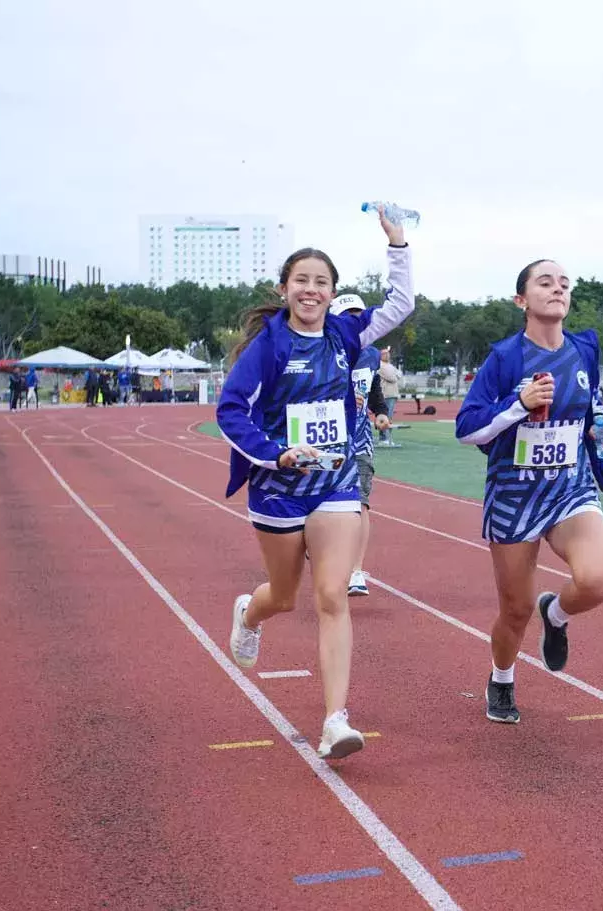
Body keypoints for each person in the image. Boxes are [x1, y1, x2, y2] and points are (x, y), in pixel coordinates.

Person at [217, 209, 412, 759]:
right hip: (278, 489)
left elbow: (400, 304)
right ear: (285, 289)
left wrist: (397, 245)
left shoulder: (347, 334)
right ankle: (248, 614)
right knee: (283, 596)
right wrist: (276, 455)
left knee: (332, 596)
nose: (311, 290)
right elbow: (232, 411)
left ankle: (334, 719)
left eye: (321, 282)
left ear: (331, 292)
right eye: (301, 280)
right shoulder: (268, 349)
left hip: (336, 482)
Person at [455, 259, 603, 724]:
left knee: (598, 580)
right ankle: (501, 677)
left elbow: (592, 403)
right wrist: (518, 404)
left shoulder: (583, 349)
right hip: (515, 497)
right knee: (514, 612)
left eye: (564, 284)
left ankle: (555, 614)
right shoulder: (505, 358)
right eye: (545, 282)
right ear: (522, 300)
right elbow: (466, 429)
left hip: (568, 488)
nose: (557, 289)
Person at [328, 294, 393, 597]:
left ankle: (356, 571)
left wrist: (379, 412)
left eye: (358, 315)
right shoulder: (324, 351)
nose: (354, 322)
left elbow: (374, 387)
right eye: (347, 316)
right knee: (323, 504)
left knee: (360, 503)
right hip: (325, 440)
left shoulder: (370, 354)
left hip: (359, 440)